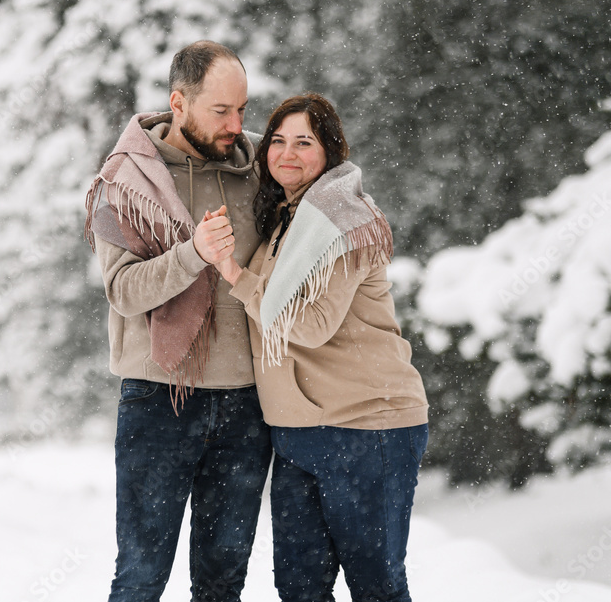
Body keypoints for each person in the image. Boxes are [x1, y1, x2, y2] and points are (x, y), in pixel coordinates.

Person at [212, 92, 429, 602]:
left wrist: (234, 276)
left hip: (367, 427)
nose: (287, 153)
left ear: (329, 151)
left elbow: (309, 325)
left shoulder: (342, 222)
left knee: (375, 585)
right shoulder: (288, 221)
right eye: (278, 141)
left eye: (304, 142)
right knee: (299, 587)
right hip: (298, 434)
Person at [84, 41, 272, 602]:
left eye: (243, 109)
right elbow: (122, 291)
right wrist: (193, 253)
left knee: (222, 585)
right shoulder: (121, 184)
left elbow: (327, 176)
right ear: (178, 102)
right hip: (159, 401)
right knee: (141, 579)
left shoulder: (261, 167)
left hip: (246, 404)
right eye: (221, 111)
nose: (236, 125)